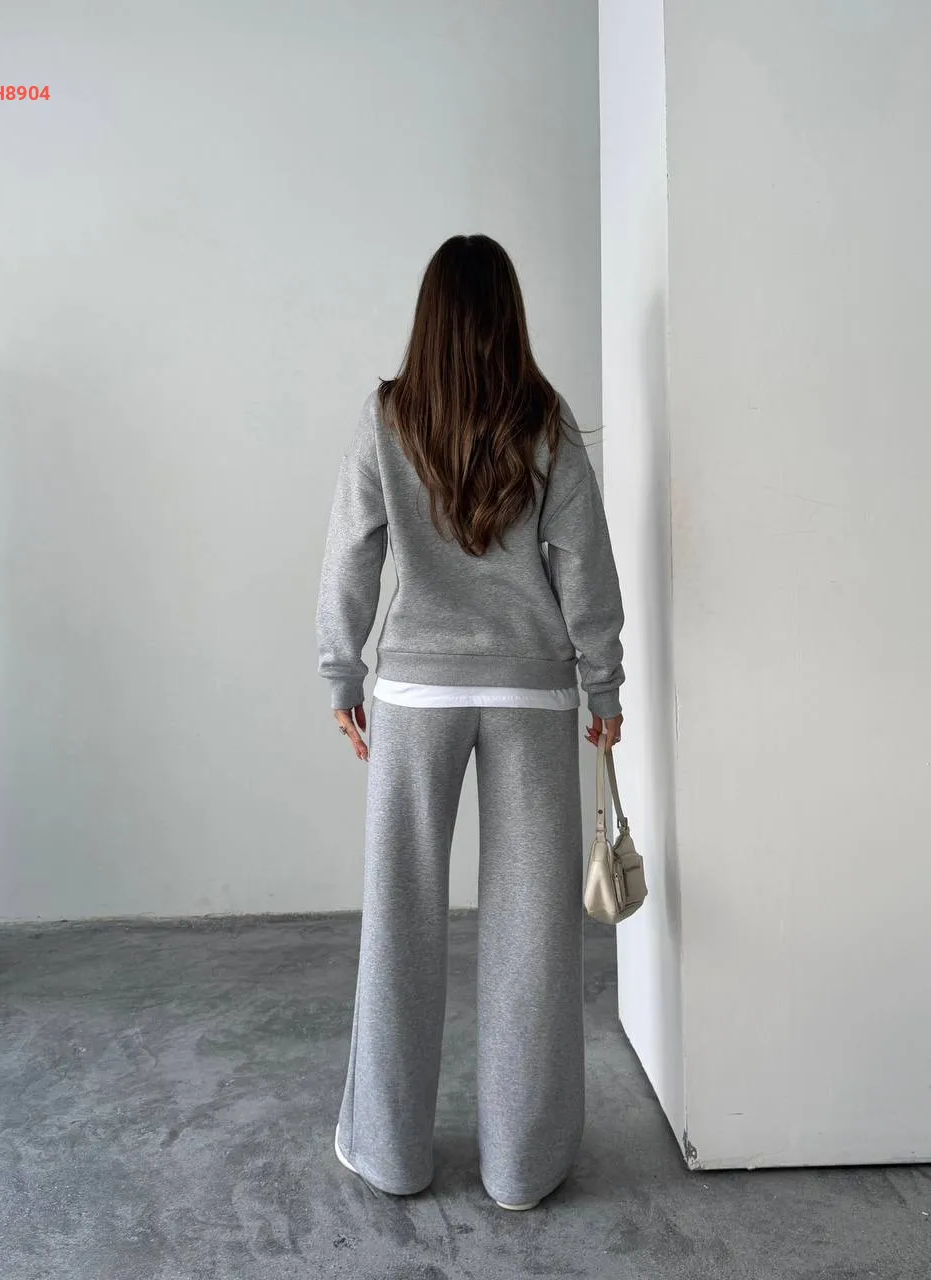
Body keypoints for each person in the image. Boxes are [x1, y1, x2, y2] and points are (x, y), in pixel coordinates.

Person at [315, 234, 625, 1212]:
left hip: (416, 694)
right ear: (508, 316)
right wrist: (604, 688)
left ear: (431, 318)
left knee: (399, 918)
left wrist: (341, 671)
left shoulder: (388, 416)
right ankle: (522, 1168)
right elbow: (586, 565)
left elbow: (350, 556)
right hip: (532, 692)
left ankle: (389, 1153)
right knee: (534, 931)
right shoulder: (546, 419)